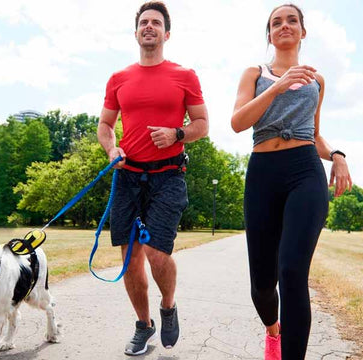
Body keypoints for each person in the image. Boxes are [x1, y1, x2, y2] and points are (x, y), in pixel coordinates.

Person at [231, 4, 352, 360]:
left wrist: (338, 155)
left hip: (304, 172)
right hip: (264, 173)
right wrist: (278, 87)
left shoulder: (317, 80)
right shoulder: (255, 72)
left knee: (293, 272)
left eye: (292, 21)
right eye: (276, 23)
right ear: (269, 35)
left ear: (303, 31)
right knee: (263, 286)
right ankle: (273, 330)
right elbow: (238, 122)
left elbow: (314, 136)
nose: (284, 26)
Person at [97, 1, 209, 356]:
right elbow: (104, 126)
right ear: (136, 33)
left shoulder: (184, 75)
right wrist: (111, 150)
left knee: (157, 251)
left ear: (166, 33)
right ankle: (143, 326)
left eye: (156, 23)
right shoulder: (118, 78)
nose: (149, 27)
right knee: (130, 256)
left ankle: (168, 306)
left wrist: (177, 134)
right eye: (144, 22)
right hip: (128, 176)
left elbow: (202, 125)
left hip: (168, 176)